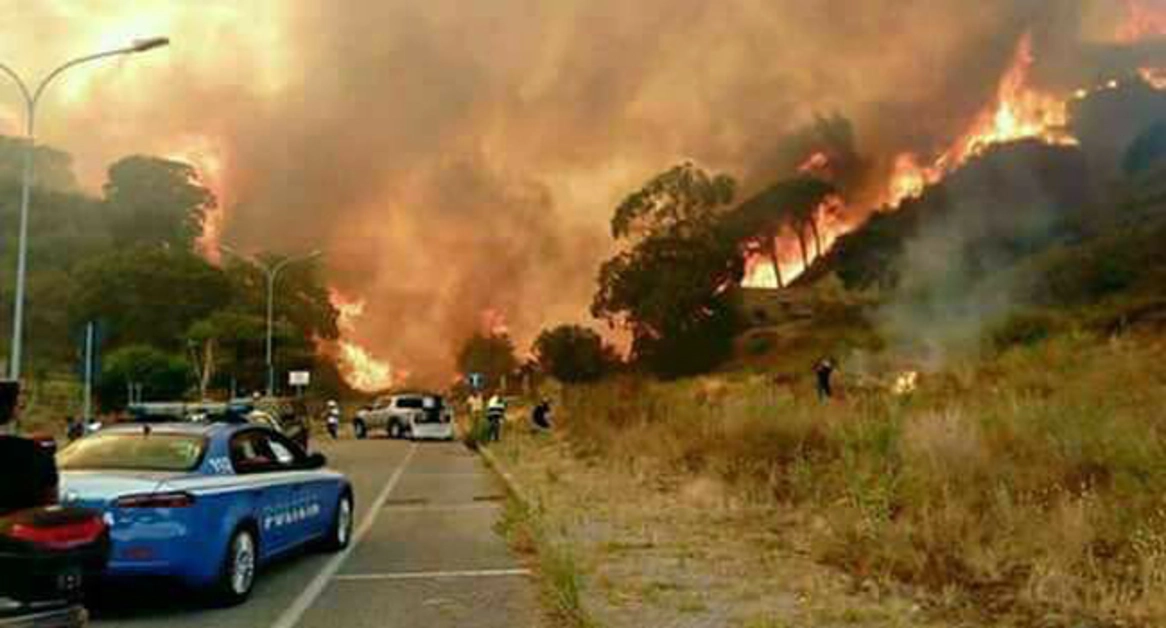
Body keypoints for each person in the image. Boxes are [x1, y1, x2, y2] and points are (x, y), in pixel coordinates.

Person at [0, 381, 59, 516]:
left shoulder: (34, 450)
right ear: (12, 411)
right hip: (21, 531)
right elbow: (51, 502)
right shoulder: (34, 452)